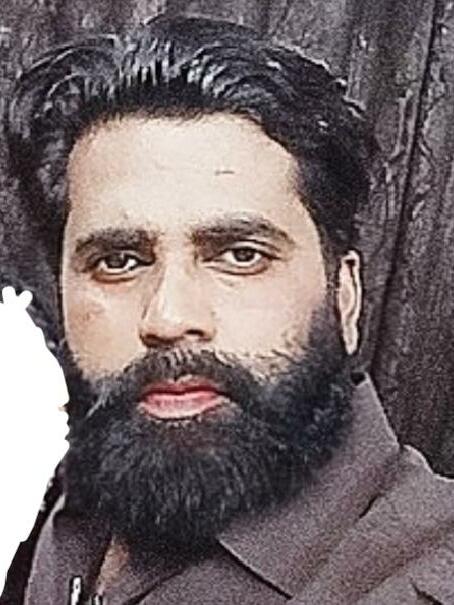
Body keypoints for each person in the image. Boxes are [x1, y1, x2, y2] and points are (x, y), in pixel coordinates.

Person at [2, 14, 454, 605]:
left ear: (345, 295)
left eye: (241, 255)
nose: (168, 318)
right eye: (118, 261)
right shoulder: (67, 469)